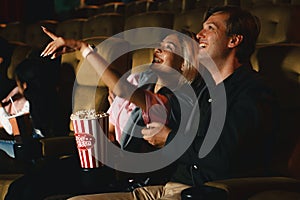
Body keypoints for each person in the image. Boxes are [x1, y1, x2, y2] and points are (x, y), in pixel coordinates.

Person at [66, 5, 279, 200]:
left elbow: (219, 156)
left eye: (210, 29)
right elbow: (153, 106)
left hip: (202, 191)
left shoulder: (252, 91)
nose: (199, 35)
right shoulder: (201, 88)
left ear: (234, 40)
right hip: (166, 185)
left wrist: (168, 137)